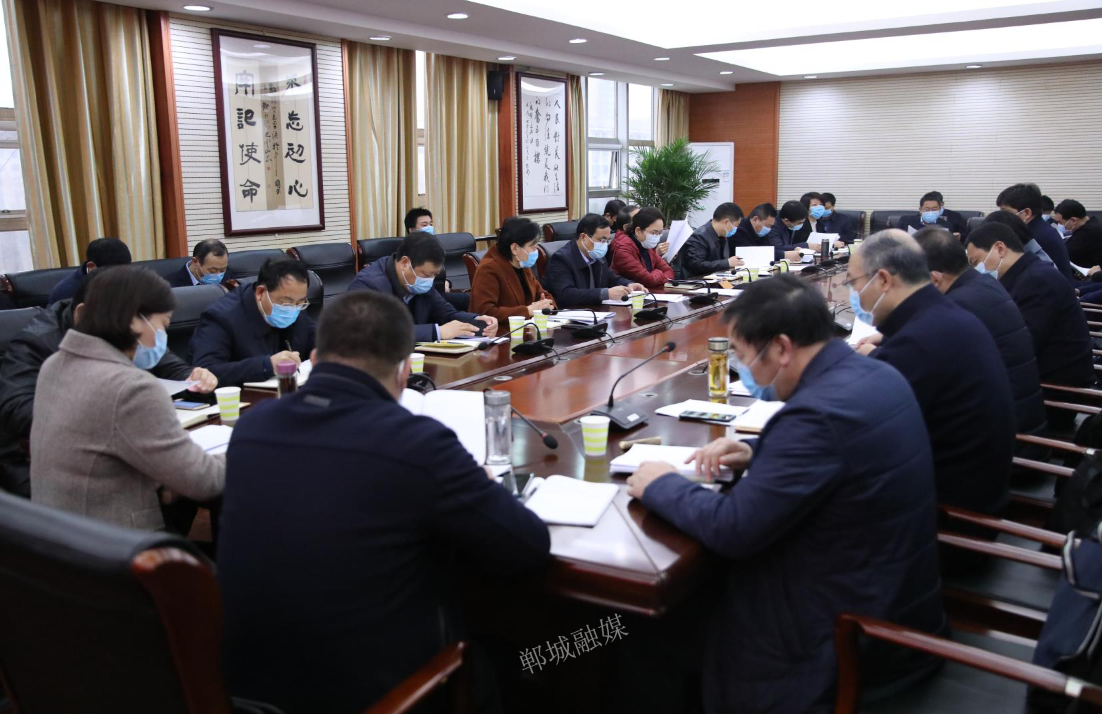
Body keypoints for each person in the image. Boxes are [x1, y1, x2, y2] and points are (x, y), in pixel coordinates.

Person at [217, 290, 550, 714]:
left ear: (314, 361)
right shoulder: (416, 442)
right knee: (516, 660)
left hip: (248, 690)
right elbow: (527, 546)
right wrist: (482, 485)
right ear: (404, 371)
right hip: (383, 697)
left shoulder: (252, 428)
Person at [625, 275, 945, 714]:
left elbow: (734, 529)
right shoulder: (874, 372)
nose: (742, 369)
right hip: (895, 604)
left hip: (839, 639)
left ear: (780, 348)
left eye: (742, 356)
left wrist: (661, 483)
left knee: (641, 633)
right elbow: (841, 456)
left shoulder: (815, 417)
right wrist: (757, 452)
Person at [30, 266, 225, 530]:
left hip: (58, 533)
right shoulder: (132, 388)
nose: (163, 336)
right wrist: (245, 452)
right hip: (116, 541)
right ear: (134, 320)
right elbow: (203, 480)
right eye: (163, 325)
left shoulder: (54, 365)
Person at [850, 230, 1014, 515]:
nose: (853, 293)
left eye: (853, 282)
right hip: (968, 486)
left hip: (949, 513)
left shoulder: (917, 343)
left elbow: (860, 438)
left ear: (884, 280)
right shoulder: (942, 315)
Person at [911, 226, 1047, 438]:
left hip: (1008, 438)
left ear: (934, 280)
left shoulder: (956, 307)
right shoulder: (983, 284)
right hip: (1018, 416)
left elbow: (921, 371)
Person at [965, 222, 1094, 388]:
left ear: (1000, 249)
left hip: (1058, 388)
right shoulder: (1026, 274)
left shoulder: (1037, 281)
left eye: (976, 262)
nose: (976, 270)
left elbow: (1020, 345)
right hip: (1039, 374)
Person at [191, 257, 317, 387]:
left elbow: (315, 338)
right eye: (286, 303)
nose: (293, 309)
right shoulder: (221, 317)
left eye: (300, 302)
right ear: (260, 292)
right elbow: (207, 371)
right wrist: (266, 365)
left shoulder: (296, 307)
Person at [348, 232, 498, 341]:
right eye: (426, 275)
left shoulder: (417, 281)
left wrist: (478, 321)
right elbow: (376, 332)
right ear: (405, 263)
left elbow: (447, 314)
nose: (429, 281)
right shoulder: (368, 285)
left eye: (434, 275)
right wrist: (437, 332)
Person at [544, 214, 644, 306]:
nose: (604, 245)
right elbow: (565, 295)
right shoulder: (561, 259)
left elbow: (611, 278)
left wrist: (629, 284)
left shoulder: (596, 255)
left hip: (597, 311)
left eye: (607, 240)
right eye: (601, 240)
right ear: (583, 237)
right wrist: (605, 293)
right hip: (572, 313)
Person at [469, 216, 556, 322]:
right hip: (500, 330)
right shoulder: (489, 269)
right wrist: (527, 311)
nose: (536, 250)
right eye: (532, 246)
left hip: (527, 327)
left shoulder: (521, 264)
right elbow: (486, 312)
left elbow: (543, 294)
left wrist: (546, 304)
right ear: (514, 248)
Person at [997, 182, 1074, 282]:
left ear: (1026, 213)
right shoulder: (1041, 228)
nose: (1003, 216)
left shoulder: (1035, 237)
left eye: (1006, 212)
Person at [47, 237, 132, 305]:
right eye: (114, 273)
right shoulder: (65, 293)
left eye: (125, 270)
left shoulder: (131, 279)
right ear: (91, 267)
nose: (121, 277)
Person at [609, 206, 675, 291]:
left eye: (660, 233)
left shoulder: (646, 245)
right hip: (628, 296)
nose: (657, 237)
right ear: (638, 231)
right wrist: (658, 272)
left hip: (650, 293)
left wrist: (655, 274)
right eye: (654, 233)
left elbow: (669, 271)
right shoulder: (623, 249)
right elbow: (649, 281)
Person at [681, 203, 746, 278]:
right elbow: (696, 265)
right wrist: (727, 263)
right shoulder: (699, 236)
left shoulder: (723, 235)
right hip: (699, 281)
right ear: (726, 222)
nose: (736, 229)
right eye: (736, 226)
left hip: (718, 279)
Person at [730, 203, 798, 262]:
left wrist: (792, 249)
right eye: (768, 226)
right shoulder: (739, 230)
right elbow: (752, 254)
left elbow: (768, 249)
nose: (769, 229)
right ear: (755, 219)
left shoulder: (761, 232)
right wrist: (783, 255)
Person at [1055, 199, 1102, 270]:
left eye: (1061, 222)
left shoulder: (1087, 233)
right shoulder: (1092, 222)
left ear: (1073, 220)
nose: (1059, 225)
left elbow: (1063, 254)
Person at [167, 238, 232, 287]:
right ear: (195, 262)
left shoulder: (229, 277)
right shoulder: (171, 285)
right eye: (212, 271)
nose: (218, 276)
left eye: (223, 270)